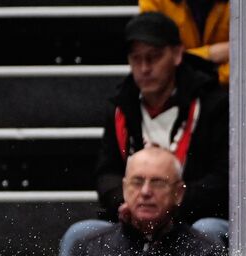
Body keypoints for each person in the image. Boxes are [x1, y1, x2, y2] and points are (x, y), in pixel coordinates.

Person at [93, 13, 230, 236]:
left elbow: (224, 179)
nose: (145, 68)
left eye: (153, 57)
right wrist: (128, 202)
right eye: (136, 59)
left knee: (209, 230)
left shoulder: (213, 104)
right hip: (133, 216)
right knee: (79, 233)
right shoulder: (119, 107)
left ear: (177, 54)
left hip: (195, 217)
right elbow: (106, 173)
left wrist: (170, 203)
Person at [54, 146, 225, 256]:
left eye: (158, 182)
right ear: (125, 188)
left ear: (178, 193)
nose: (145, 192)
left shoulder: (207, 252)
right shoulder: (89, 246)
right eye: (137, 182)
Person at [137, 0, 246, 138]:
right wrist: (211, 53)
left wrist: (191, 61)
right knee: (147, 96)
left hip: (240, 86)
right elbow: (155, 56)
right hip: (179, 85)